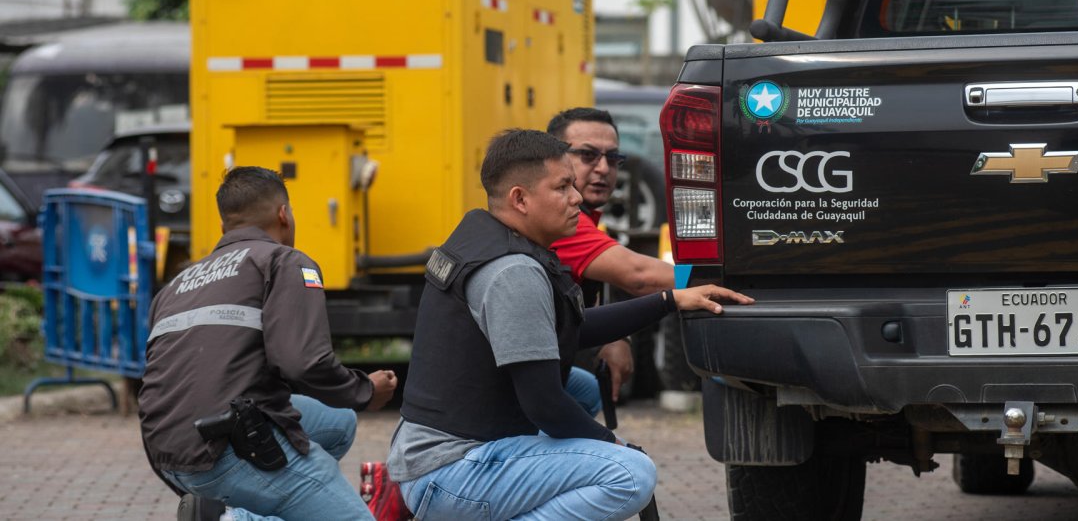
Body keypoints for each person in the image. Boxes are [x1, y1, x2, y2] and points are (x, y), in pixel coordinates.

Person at [389, 129, 752, 519]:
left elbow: (568, 330)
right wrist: (612, 443)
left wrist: (669, 300)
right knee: (630, 474)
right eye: (563, 187)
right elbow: (544, 404)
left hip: (435, 452)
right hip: (449, 472)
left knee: (581, 388)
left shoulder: (487, 236)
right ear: (520, 199)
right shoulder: (512, 271)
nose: (577, 198)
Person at [138, 166, 398, 521]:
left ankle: (238, 509)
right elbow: (303, 363)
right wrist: (365, 390)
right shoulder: (283, 261)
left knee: (339, 422)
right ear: (284, 215)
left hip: (167, 452)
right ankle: (232, 518)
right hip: (227, 448)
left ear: (223, 226)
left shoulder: (177, 284)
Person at [548, 107, 679, 403]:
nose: (604, 168)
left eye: (613, 158)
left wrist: (612, 336)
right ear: (554, 161)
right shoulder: (559, 220)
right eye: (588, 155)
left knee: (588, 393)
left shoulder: (584, 216)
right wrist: (710, 277)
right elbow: (640, 277)